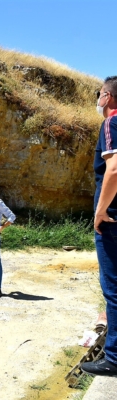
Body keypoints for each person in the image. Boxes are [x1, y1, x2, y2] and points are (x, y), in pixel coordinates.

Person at [82, 76, 117, 377]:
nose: (98, 100)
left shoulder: (111, 123)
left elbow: (114, 170)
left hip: (112, 218)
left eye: (99, 95)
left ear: (107, 96)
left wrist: (100, 211)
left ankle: (115, 358)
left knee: (113, 287)